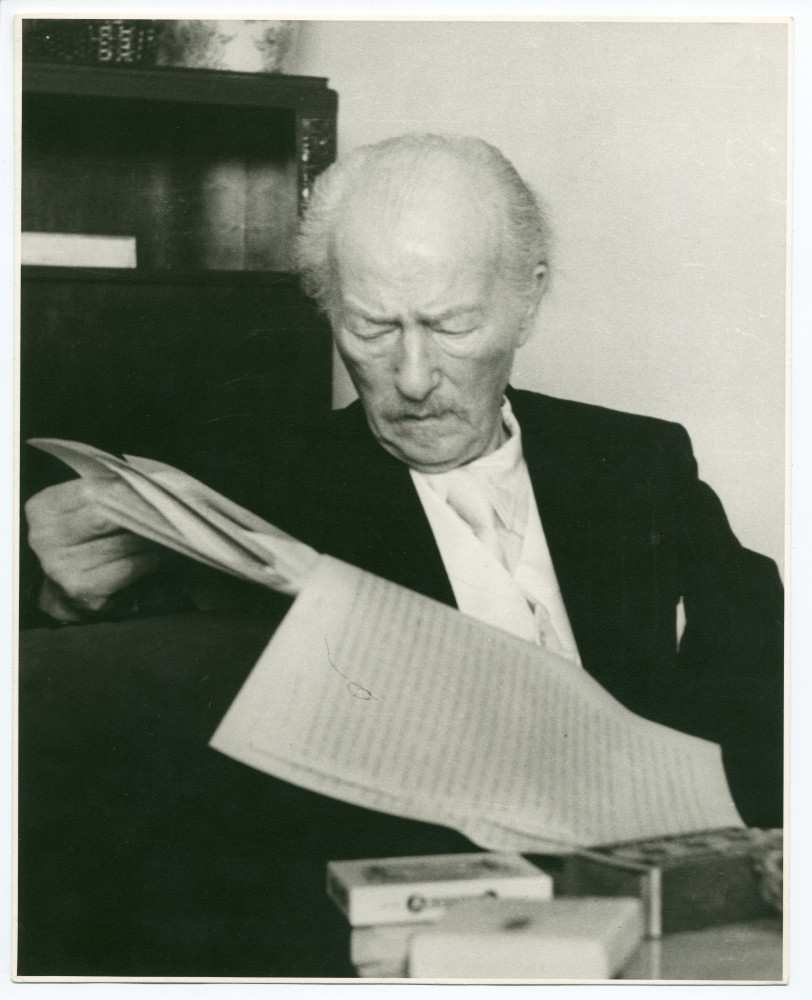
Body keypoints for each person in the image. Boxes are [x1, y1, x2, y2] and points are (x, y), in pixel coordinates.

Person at [20, 134, 783, 975]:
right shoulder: (260, 494)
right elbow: (125, 737)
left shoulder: (637, 461)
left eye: (452, 325)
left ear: (527, 301)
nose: (413, 378)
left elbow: (767, 674)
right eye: (371, 328)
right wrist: (66, 601)